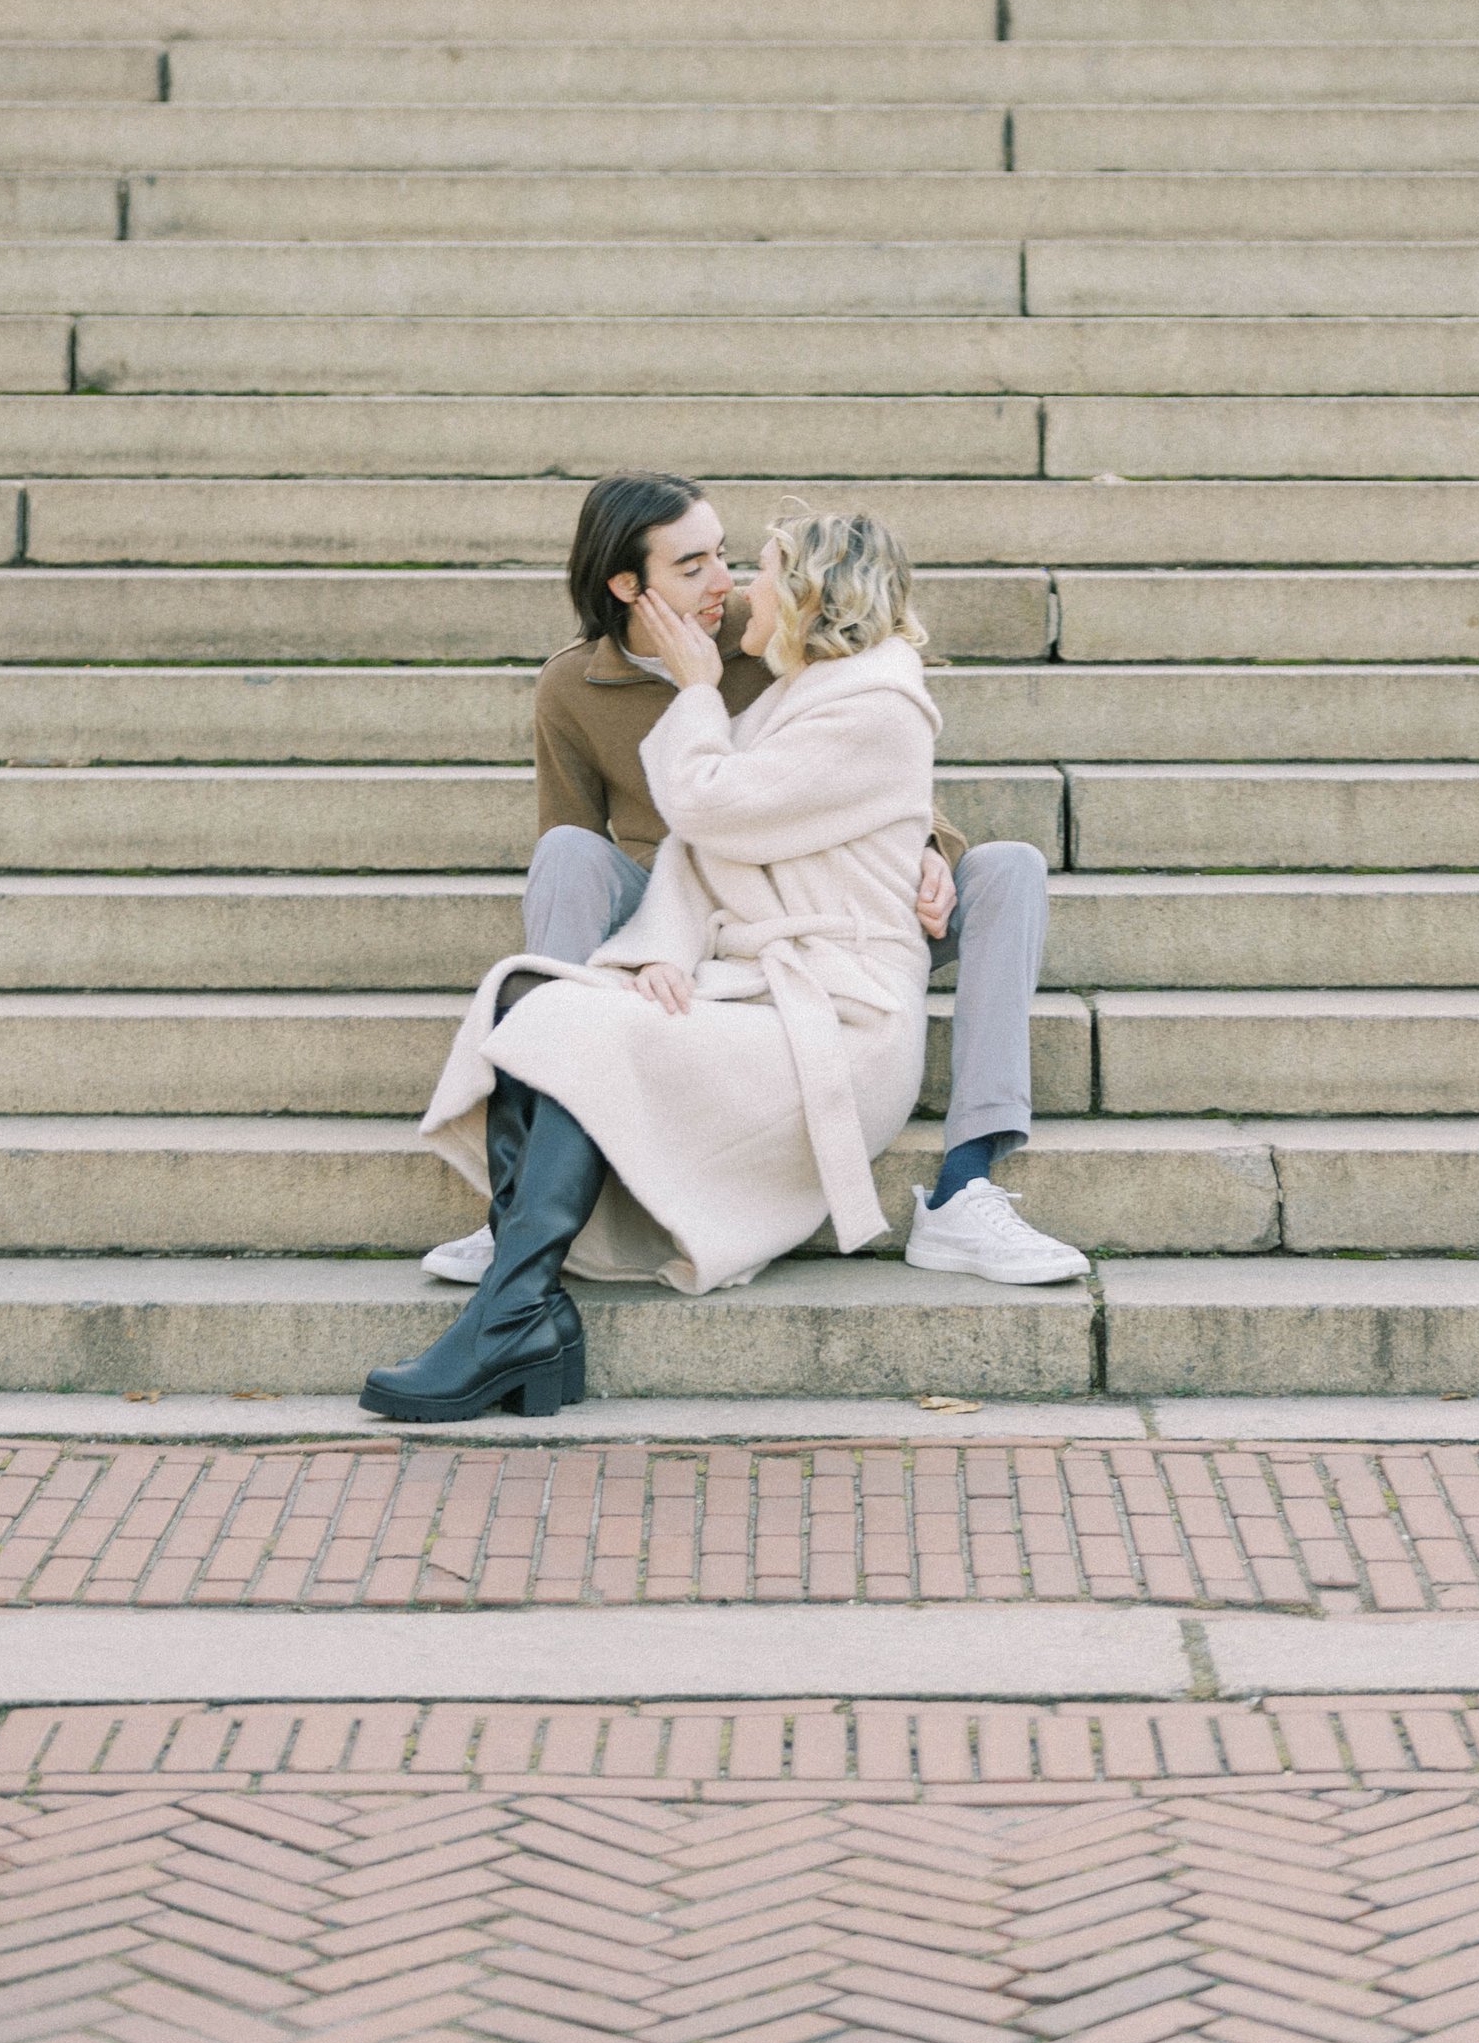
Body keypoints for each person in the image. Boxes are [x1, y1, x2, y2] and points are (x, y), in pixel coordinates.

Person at [363, 510, 957, 1422]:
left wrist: (693, 693)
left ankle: (511, 1312)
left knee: (573, 1023)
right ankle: (529, 1309)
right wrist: (657, 952)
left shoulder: (878, 707)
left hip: (843, 1025)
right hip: (755, 992)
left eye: (759, 571)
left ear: (806, 595)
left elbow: (711, 805)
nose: (738, 590)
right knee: (527, 990)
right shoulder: (793, 698)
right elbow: (694, 852)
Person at [421, 472, 1085, 1288]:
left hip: (821, 907)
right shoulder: (572, 686)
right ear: (629, 584)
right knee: (563, 850)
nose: (725, 584)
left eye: (727, 557)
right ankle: (526, 1195)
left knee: (1008, 867)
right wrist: (651, 944)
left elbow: (877, 763)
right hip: (672, 912)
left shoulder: (772, 628)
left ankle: (968, 1180)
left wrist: (930, 848)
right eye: (692, 566)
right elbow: (579, 841)